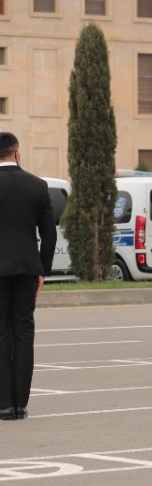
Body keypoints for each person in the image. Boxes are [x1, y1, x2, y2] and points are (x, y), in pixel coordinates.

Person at [0, 131, 55, 421]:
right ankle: (21, 403)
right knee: (23, 332)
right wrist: (42, 270)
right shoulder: (38, 185)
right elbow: (49, 232)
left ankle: (4, 404)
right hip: (26, 268)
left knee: (1, 333)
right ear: (17, 153)